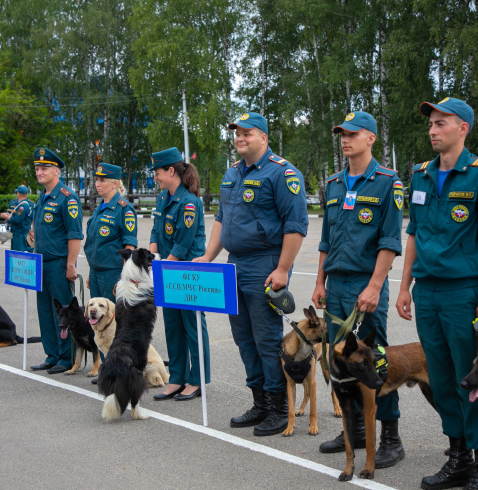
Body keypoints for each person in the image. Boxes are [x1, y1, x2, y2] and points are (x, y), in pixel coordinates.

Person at [395, 97, 478, 490]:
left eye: (441, 123)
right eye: (430, 123)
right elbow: (414, 235)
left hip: (464, 293)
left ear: (463, 128)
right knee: (442, 381)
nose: (432, 130)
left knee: (471, 383)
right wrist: (404, 285)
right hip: (427, 292)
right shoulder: (422, 176)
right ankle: (457, 456)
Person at [193, 112, 308, 436]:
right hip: (234, 264)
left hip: (264, 263)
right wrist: (208, 256)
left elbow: (296, 225)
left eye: (247, 133)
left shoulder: (283, 173)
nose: (240, 138)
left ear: (264, 138)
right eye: (237, 133)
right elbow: (221, 219)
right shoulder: (231, 174)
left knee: (267, 339)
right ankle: (259, 402)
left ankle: (278, 407)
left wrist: (283, 269)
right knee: (243, 338)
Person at [311, 111, 406, 468]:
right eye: (341, 133)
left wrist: (375, 286)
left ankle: (391, 438)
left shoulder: (387, 182)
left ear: (371, 139)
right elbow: (326, 239)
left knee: (375, 362)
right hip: (335, 285)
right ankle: (355, 430)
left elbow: (390, 240)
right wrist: (320, 281)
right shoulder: (334, 183)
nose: (345, 139)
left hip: (366, 286)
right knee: (340, 361)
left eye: (353, 133)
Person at [149, 148, 210, 402]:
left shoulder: (189, 202)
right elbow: (155, 231)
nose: (156, 177)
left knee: (192, 326)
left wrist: (162, 267)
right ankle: (176, 377)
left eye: (158, 172)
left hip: (187, 271)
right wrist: (152, 258)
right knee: (173, 326)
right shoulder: (164, 198)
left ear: (171, 171)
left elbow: (183, 244)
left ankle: (197, 381)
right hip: (167, 269)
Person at [30, 147, 83, 375]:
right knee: (45, 310)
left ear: (56, 171)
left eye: (44, 168)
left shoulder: (67, 199)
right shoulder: (42, 198)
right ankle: (52, 354)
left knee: (64, 312)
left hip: (59, 263)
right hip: (40, 263)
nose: (39, 172)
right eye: (37, 168)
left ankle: (67, 356)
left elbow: (74, 235)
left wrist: (71, 264)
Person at [84, 163, 136, 302]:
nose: (97, 184)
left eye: (102, 180)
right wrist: (91, 271)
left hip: (112, 273)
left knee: (113, 317)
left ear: (115, 184)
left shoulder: (124, 209)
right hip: (96, 271)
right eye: (97, 180)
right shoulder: (99, 208)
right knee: (98, 319)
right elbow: (95, 244)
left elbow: (129, 246)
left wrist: (125, 277)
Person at [1, 185, 33, 252]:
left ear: (18, 194)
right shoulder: (21, 203)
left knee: (19, 254)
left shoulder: (22, 206)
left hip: (20, 234)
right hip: (20, 232)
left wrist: (6, 216)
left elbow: (16, 220)